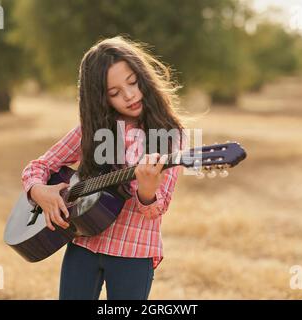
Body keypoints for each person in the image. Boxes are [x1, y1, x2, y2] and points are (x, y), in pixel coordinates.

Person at [21, 36, 187, 300]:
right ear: (100, 98)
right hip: (83, 245)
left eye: (133, 82)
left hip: (133, 252)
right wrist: (39, 191)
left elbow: (156, 208)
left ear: (144, 76)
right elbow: (39, 166)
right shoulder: (93, 130)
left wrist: (147, 189)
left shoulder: (168, 135)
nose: (129, 95)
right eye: (114, 93)